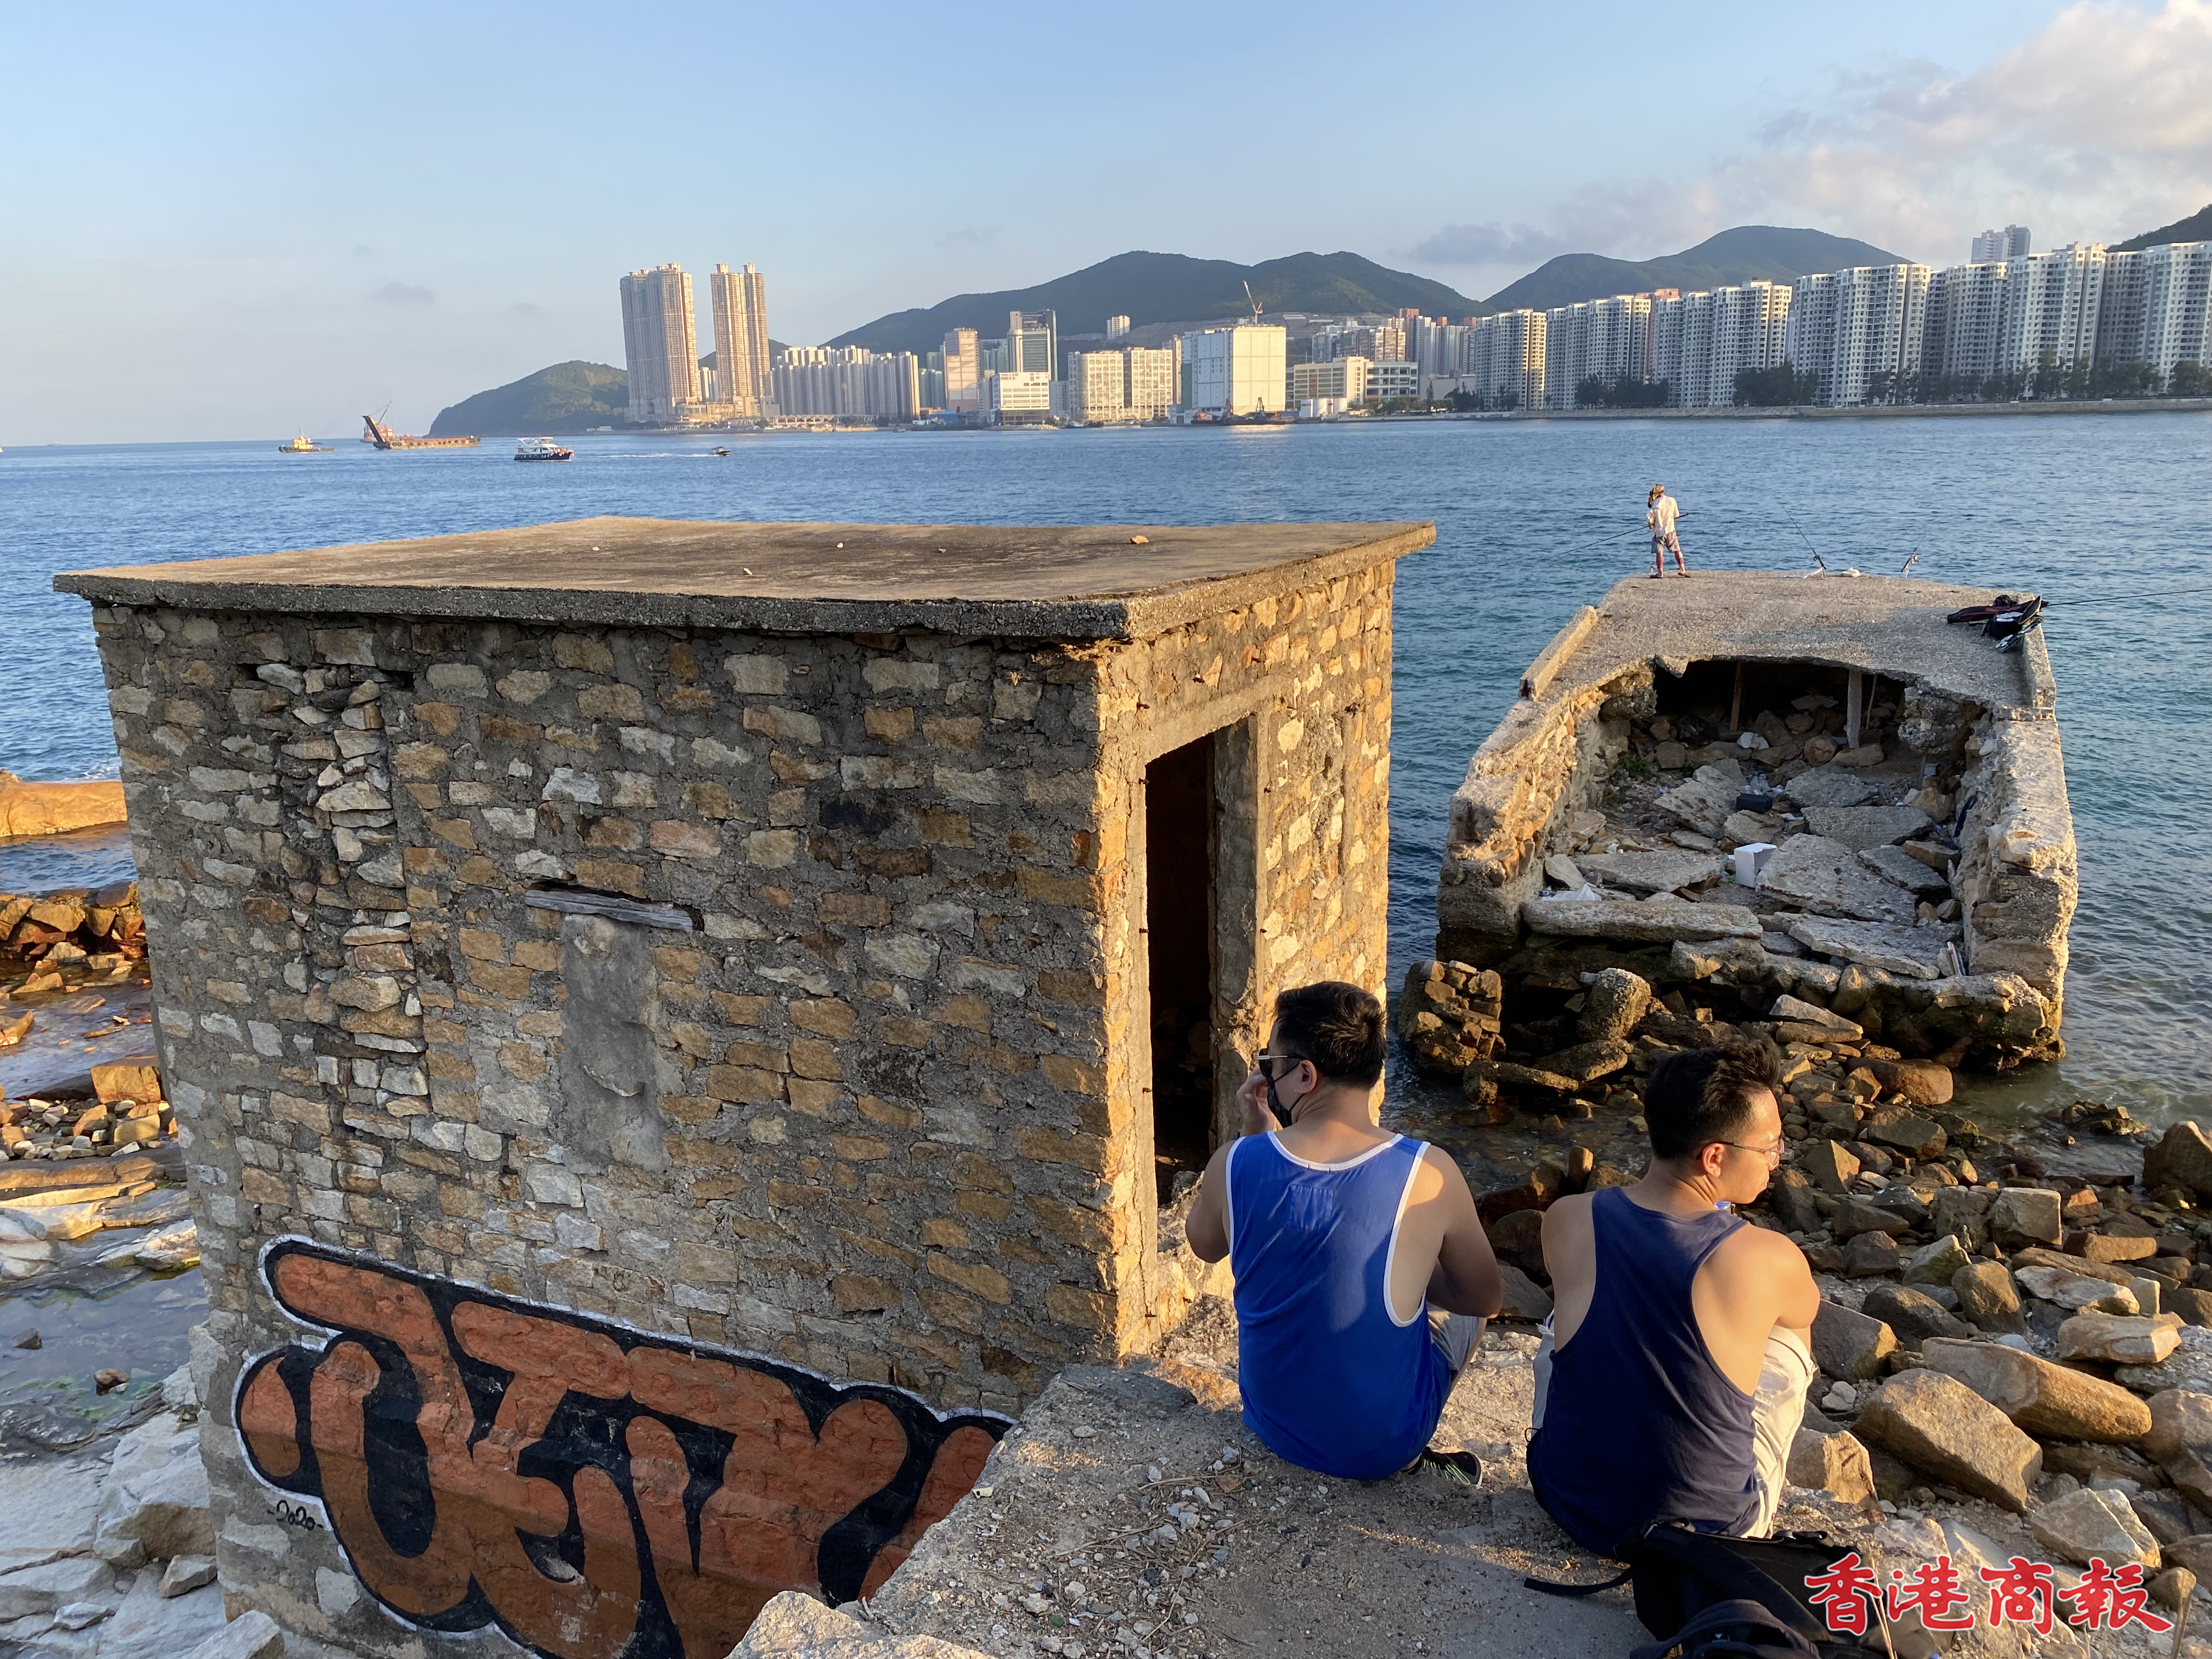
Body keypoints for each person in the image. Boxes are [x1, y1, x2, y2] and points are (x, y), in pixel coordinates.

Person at [1186, 981, 1502, 1482]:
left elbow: (1205, 1246)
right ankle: (1414, 1456)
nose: (1266, 1073)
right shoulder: (1428, 1170)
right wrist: (1411, 1269)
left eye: (1270, 1062)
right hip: (1381, 1450)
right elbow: (1483, 1298)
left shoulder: (1234, 1162)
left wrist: (1252, 1135)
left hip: (1272, 1425)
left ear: (1304, 1075)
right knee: (1460, 1314)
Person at [1526, 1040, 1816, 1555]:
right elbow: (1805, 1310)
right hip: (1709, 1535)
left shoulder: (1567, 1217)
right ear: (1714, 1158)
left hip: (1570, 1504)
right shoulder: (1770, 1256)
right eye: (1771, 1146)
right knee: (1788, 1333)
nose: (1777, 1160)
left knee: (1566, 1311)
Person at [1647, 483, 1689, 577]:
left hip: (1659, 532)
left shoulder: (1655, 503)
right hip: (1670, 529)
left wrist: (1651, 524)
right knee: (1677, 550)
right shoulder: (1672, 500)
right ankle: (1682, 570)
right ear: (1663, 491)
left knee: (1659, 552)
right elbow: (1676, 515)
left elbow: (1651, 519)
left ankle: (1660, 573)